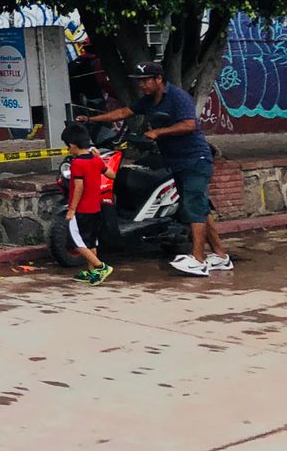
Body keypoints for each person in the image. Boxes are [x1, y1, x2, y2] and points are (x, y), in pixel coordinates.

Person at [87, 61, 231, 276]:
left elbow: (189, 125)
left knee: (193, 207)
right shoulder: (148, 101)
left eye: (145, 81)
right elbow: (124, 112)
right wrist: (90, 119)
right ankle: (220, 256)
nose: (142, 85)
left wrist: (158, 132)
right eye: (139, 82)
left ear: (159, 79)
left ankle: (198, 259)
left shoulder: (178, 97)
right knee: (199, 208)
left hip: (195, 159)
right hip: (176, 161)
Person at [61, 122, 115, 285]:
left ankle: (100, 267)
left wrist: (71, 209)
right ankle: (93, 272)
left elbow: (78, 187)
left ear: (72, 145)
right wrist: (99, 159)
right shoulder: (96, 161)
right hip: (95, 208)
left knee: (77, 243)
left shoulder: (78, 163)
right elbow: (111, 175)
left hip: (82, 210)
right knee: (90, 242)